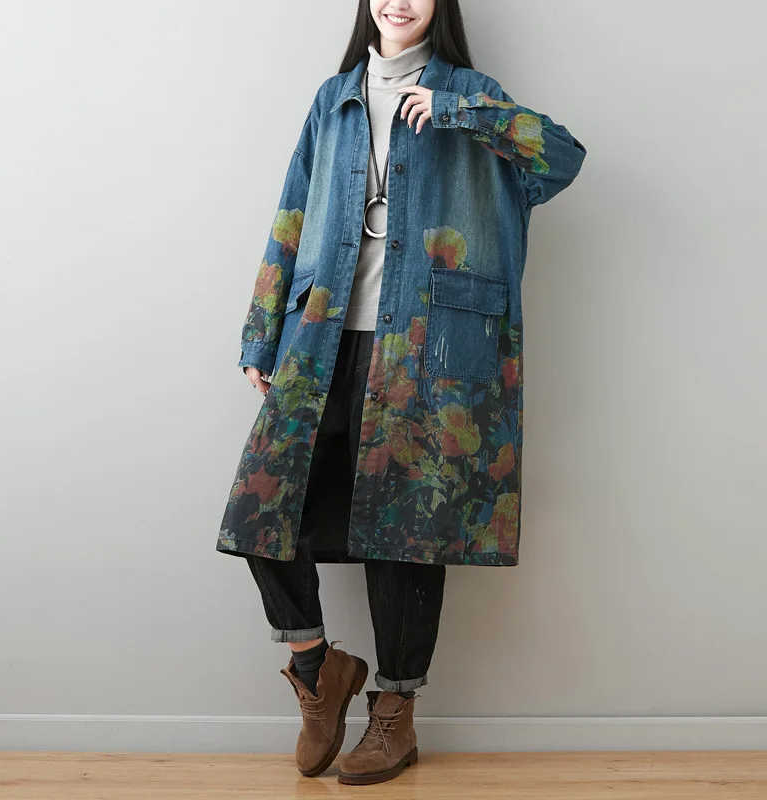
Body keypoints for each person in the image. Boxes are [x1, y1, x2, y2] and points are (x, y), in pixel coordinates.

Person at [217, 0, 586, 786]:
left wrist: (459, 113)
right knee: (260, 511)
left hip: (428, 348)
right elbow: (292, 213)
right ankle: (318, 670)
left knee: (406, 533)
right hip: (322, 338)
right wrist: (261, 332)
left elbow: (561, 159)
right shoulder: (335, 98)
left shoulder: (474, 94)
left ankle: (395, 711)